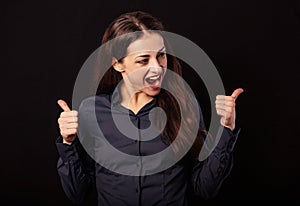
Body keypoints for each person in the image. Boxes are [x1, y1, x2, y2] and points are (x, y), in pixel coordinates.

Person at [56, 10, 243, 206]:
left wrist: (226, 128)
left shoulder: (184, 106)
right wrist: (68, 144)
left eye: (161, 56)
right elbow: (78, 193)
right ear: (118, 64)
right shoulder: (91, 112)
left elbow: (205, 188)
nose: (157, 67)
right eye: (143, 60)